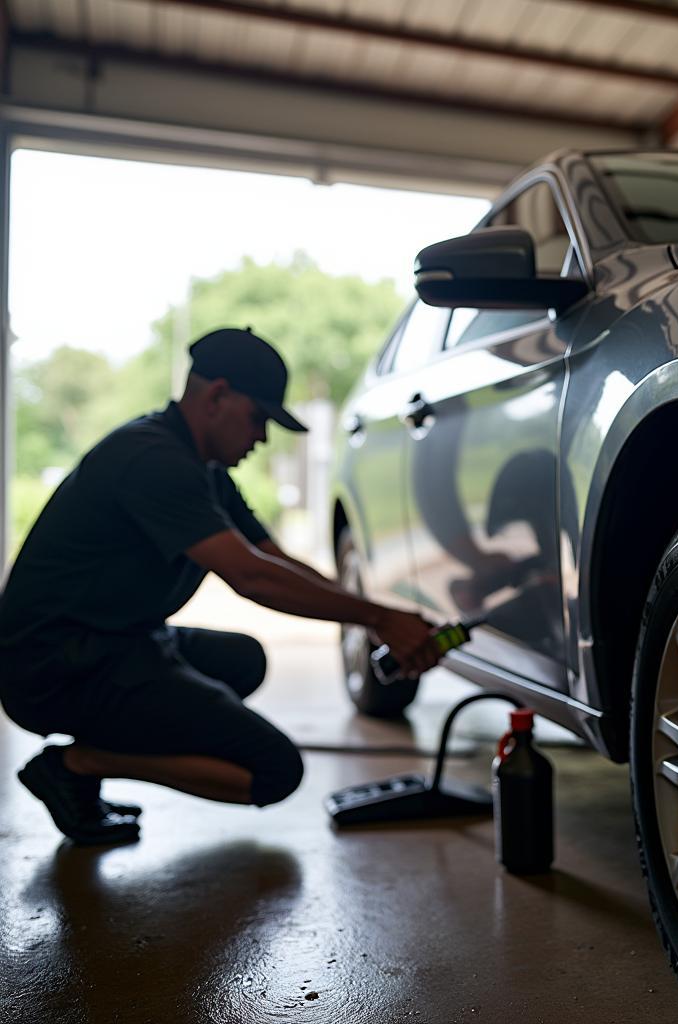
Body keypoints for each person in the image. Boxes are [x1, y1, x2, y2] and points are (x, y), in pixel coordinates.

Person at [0, 326, 439, 845]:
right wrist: (381, 620)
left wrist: (371, 616)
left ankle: (98, 750)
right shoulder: (154, 460)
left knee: (244, 660)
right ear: (217, 396)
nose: (261, 438)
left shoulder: (203, 469)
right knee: (274, 771)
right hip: (54, 666)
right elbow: (250, 576)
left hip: (119, 642)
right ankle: (78, 763)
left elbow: (273, 559)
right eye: (258, 418)